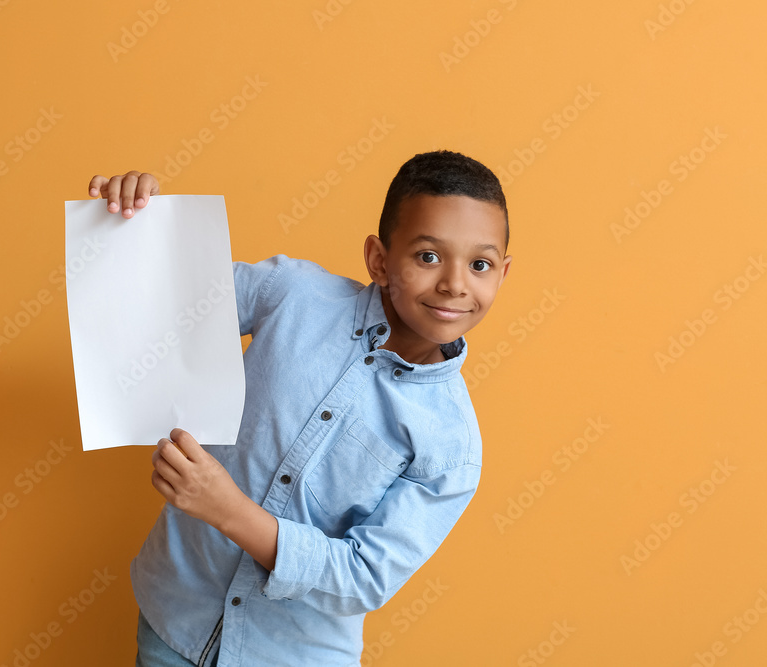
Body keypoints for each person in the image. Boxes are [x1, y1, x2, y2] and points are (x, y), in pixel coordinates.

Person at [87, 150, 513, 666]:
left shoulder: (452, 447)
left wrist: (227, 508)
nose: (455, 283)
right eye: (428, 256)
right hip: (173, 620)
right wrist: (134, 222)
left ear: (502, 274)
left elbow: (363, 578)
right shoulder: (291, 294)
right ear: (379, 259)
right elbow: (165, 303)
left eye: (480, 264)